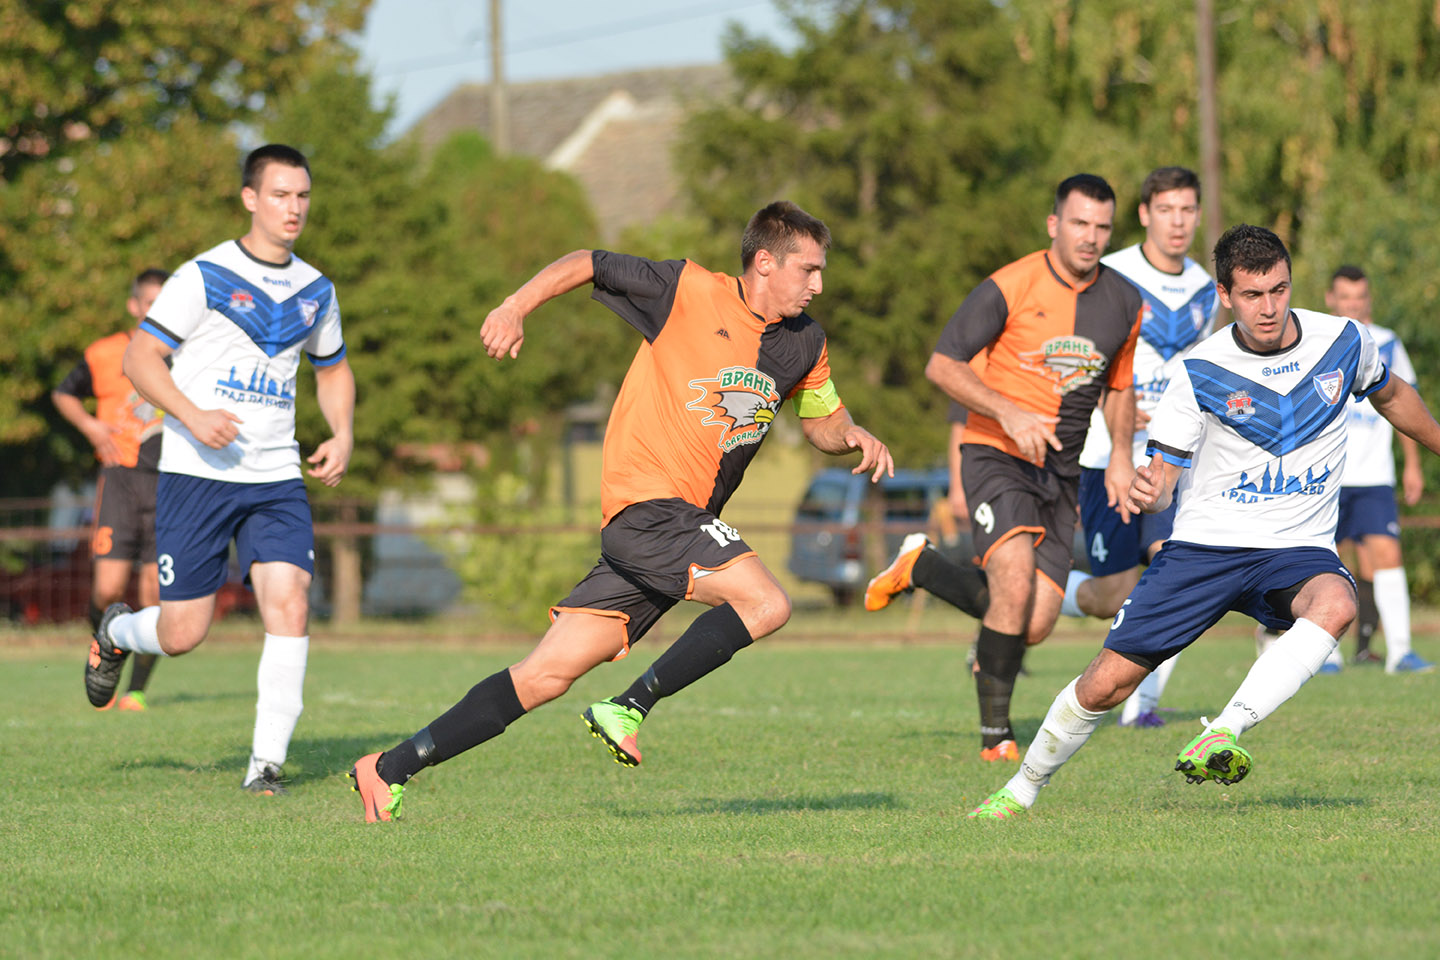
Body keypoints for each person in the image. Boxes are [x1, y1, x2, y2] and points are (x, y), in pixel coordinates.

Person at [347, 201, 893, 822]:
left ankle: (389, 768)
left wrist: (853, 435)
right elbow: (587, 262)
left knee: (545, 676)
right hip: (650, 507)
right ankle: (629, 706)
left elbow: (822, 420)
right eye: (809, 269)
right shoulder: (685, 289)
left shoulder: (805, 343)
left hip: (673, 531)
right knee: (767, 603)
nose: (819, 285)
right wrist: (514, 307)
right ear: (765, 263)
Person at [969, 225, 1440, 819]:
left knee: (1337, 603)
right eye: (1251, 295)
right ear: (1225, 296)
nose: (1268, 308)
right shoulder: (1199, 371)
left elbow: (1392, 395)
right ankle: (1021, 789)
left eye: (1278, 290)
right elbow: (1165, 473)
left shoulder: (1345, 340)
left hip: (1296, 548)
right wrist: (1149, 489)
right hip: (1206, 548)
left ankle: (1223, 731)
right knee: (1105, 686)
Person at [866, 169, 1217, 731]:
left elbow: (1120, 387)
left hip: (1064, 471)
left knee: (1032, 622)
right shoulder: (1011, 284)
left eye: (1101, 226)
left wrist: (1123, 457)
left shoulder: (1124, 300)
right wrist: (1006, 411)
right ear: (1054, 223)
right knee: (1012, 576)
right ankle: (997, 736)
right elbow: (944, 365)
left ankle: (923, 566)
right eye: (1079, 223)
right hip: (996, 451)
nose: (1090, 237)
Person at [84, 144, 355, 796]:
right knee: (183, 634)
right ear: (250, 199)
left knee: (289, 604)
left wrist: (343, 431)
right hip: (195, 474)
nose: (294, 208)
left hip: (275, 478)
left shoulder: (317, 289)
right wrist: (190, 413)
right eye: (282, 195)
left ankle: (265, 767)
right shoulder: (203, 276)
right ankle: (117, 632)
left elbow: (333, 367)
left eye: (303, 196)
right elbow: (141, 360)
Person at [1067, 166, 1219, 726]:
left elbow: (1204, 371)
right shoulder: (1112, 275)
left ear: (1197, 216)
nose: (1178, 222)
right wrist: (1123, 407)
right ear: (1144, 215)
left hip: (1170, 456)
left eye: (1187, 210)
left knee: (1175, 566)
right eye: (1166, 210)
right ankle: (1052, 593)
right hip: (1105, 453)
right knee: (1113, 593)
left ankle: (1142, 706)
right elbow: (1084, 355)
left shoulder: (1207, 287)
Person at [54, 268, 170, 711]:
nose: (155, 312)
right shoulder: (105, 353)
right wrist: (90, 426)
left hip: (168, 485)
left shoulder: (186, 354)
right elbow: (64, 393)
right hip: (119, 480)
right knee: (108, 589)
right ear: (134, 305)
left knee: (156, 597)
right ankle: (105, 650)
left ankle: (136, 689)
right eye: (149, 303)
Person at [1326, 265, 1432, 673]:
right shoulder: (1319, 341)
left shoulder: (1387, 343)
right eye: (1345, 297)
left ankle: (1401, 651)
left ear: (1368, 300)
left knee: (1388, 556)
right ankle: (1326, 655)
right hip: (1327, 476)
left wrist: (1413, 466)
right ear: (1331, 299)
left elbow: (1406, 405)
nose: (1353, 304)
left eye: (1359, 297)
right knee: (1325, 563)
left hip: (1374, 477)